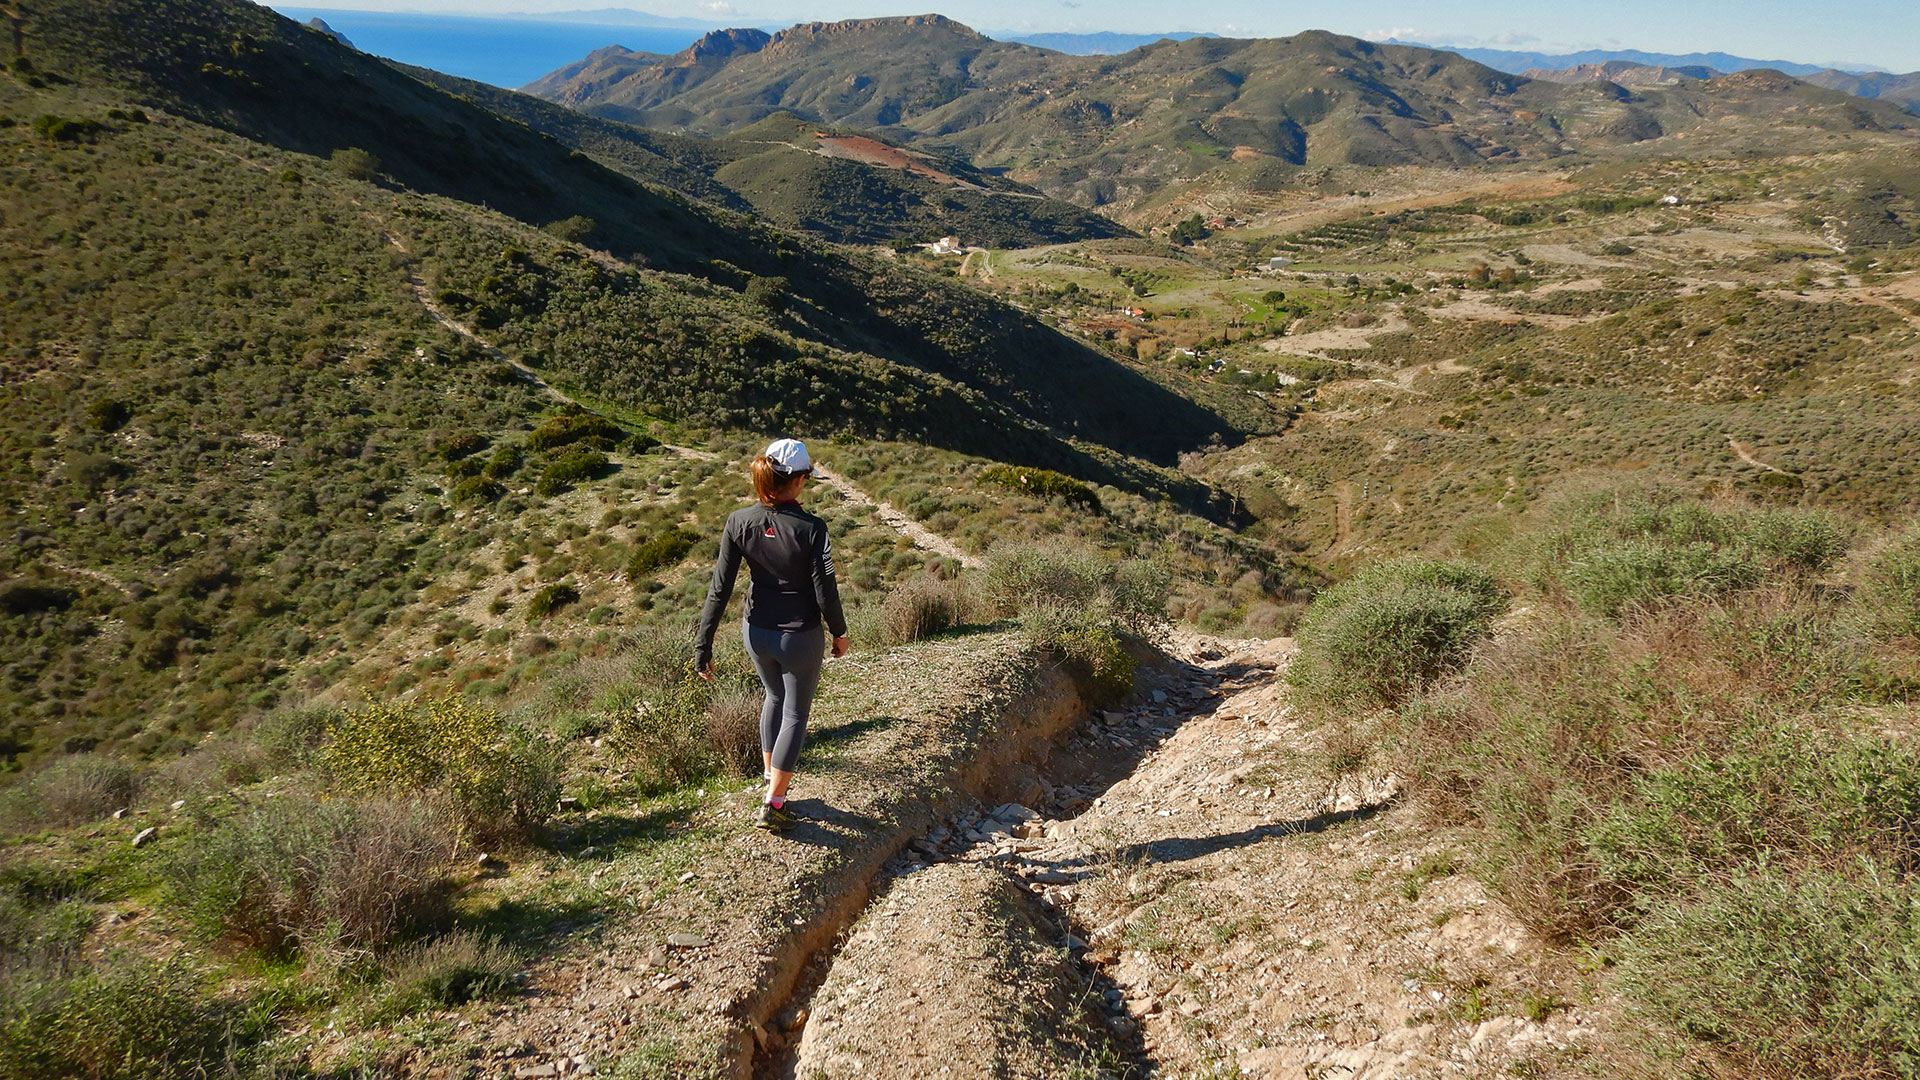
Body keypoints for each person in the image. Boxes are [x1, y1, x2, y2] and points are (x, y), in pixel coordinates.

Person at [694, 437, 850, 831]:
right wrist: (840, 632)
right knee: (796, 711)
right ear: (797, 480)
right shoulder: (812, 528)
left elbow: (720, 589)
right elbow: (824, 590)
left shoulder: (738, 521)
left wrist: (704, 643)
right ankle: (775, 803)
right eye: (806, 478)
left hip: (756, 631)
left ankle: (770, 780)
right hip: (799, 634)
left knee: (774, 697)